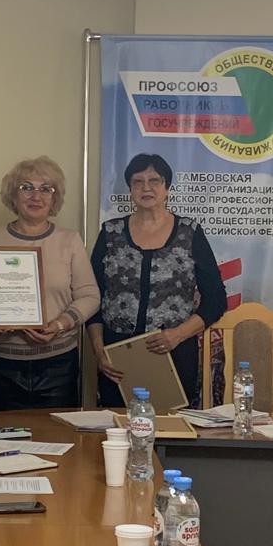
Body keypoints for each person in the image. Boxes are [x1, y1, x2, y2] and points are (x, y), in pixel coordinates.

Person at [0, 156, 100, 412]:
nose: (36, 196)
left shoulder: (70, 240)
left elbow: (90, 295)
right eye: (27, 187)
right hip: (1, 367)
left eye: (46, 189)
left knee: (57, 435)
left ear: (54, 199)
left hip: (58, 366)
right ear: (13, 195)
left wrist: (60, 324)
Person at [88, 153, 227, 408]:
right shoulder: (110, 233)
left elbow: (216, 299)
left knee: (170, 427)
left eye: (154, 180)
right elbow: (92, 298)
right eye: (138, 181)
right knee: (116, 425)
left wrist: (178, 335)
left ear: (167, 188)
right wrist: (99, 351)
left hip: (175, 354)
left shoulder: (190, 232)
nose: (146, 188)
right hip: (117, 359)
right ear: (129, 189)